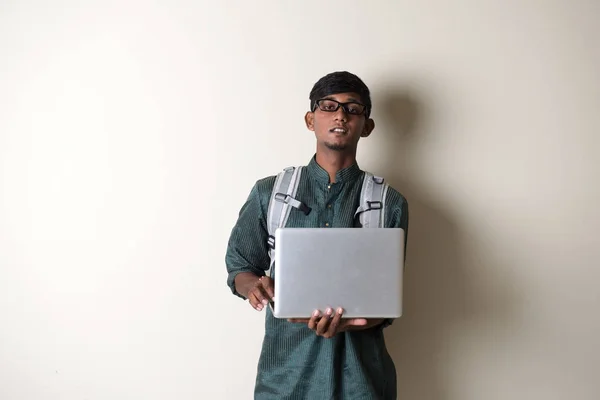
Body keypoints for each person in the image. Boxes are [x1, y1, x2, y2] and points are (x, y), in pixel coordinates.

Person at [225, 71, 409, 399]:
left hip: (362, 383)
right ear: (311, 120)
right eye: (329, 106)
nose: (340, 115)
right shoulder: (270, 192)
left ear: (367, 126)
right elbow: (240, 267)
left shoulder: (389, 202)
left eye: (353, 108)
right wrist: (254, 286)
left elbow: (385, 299)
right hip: (284, 380)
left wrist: (352, 322)